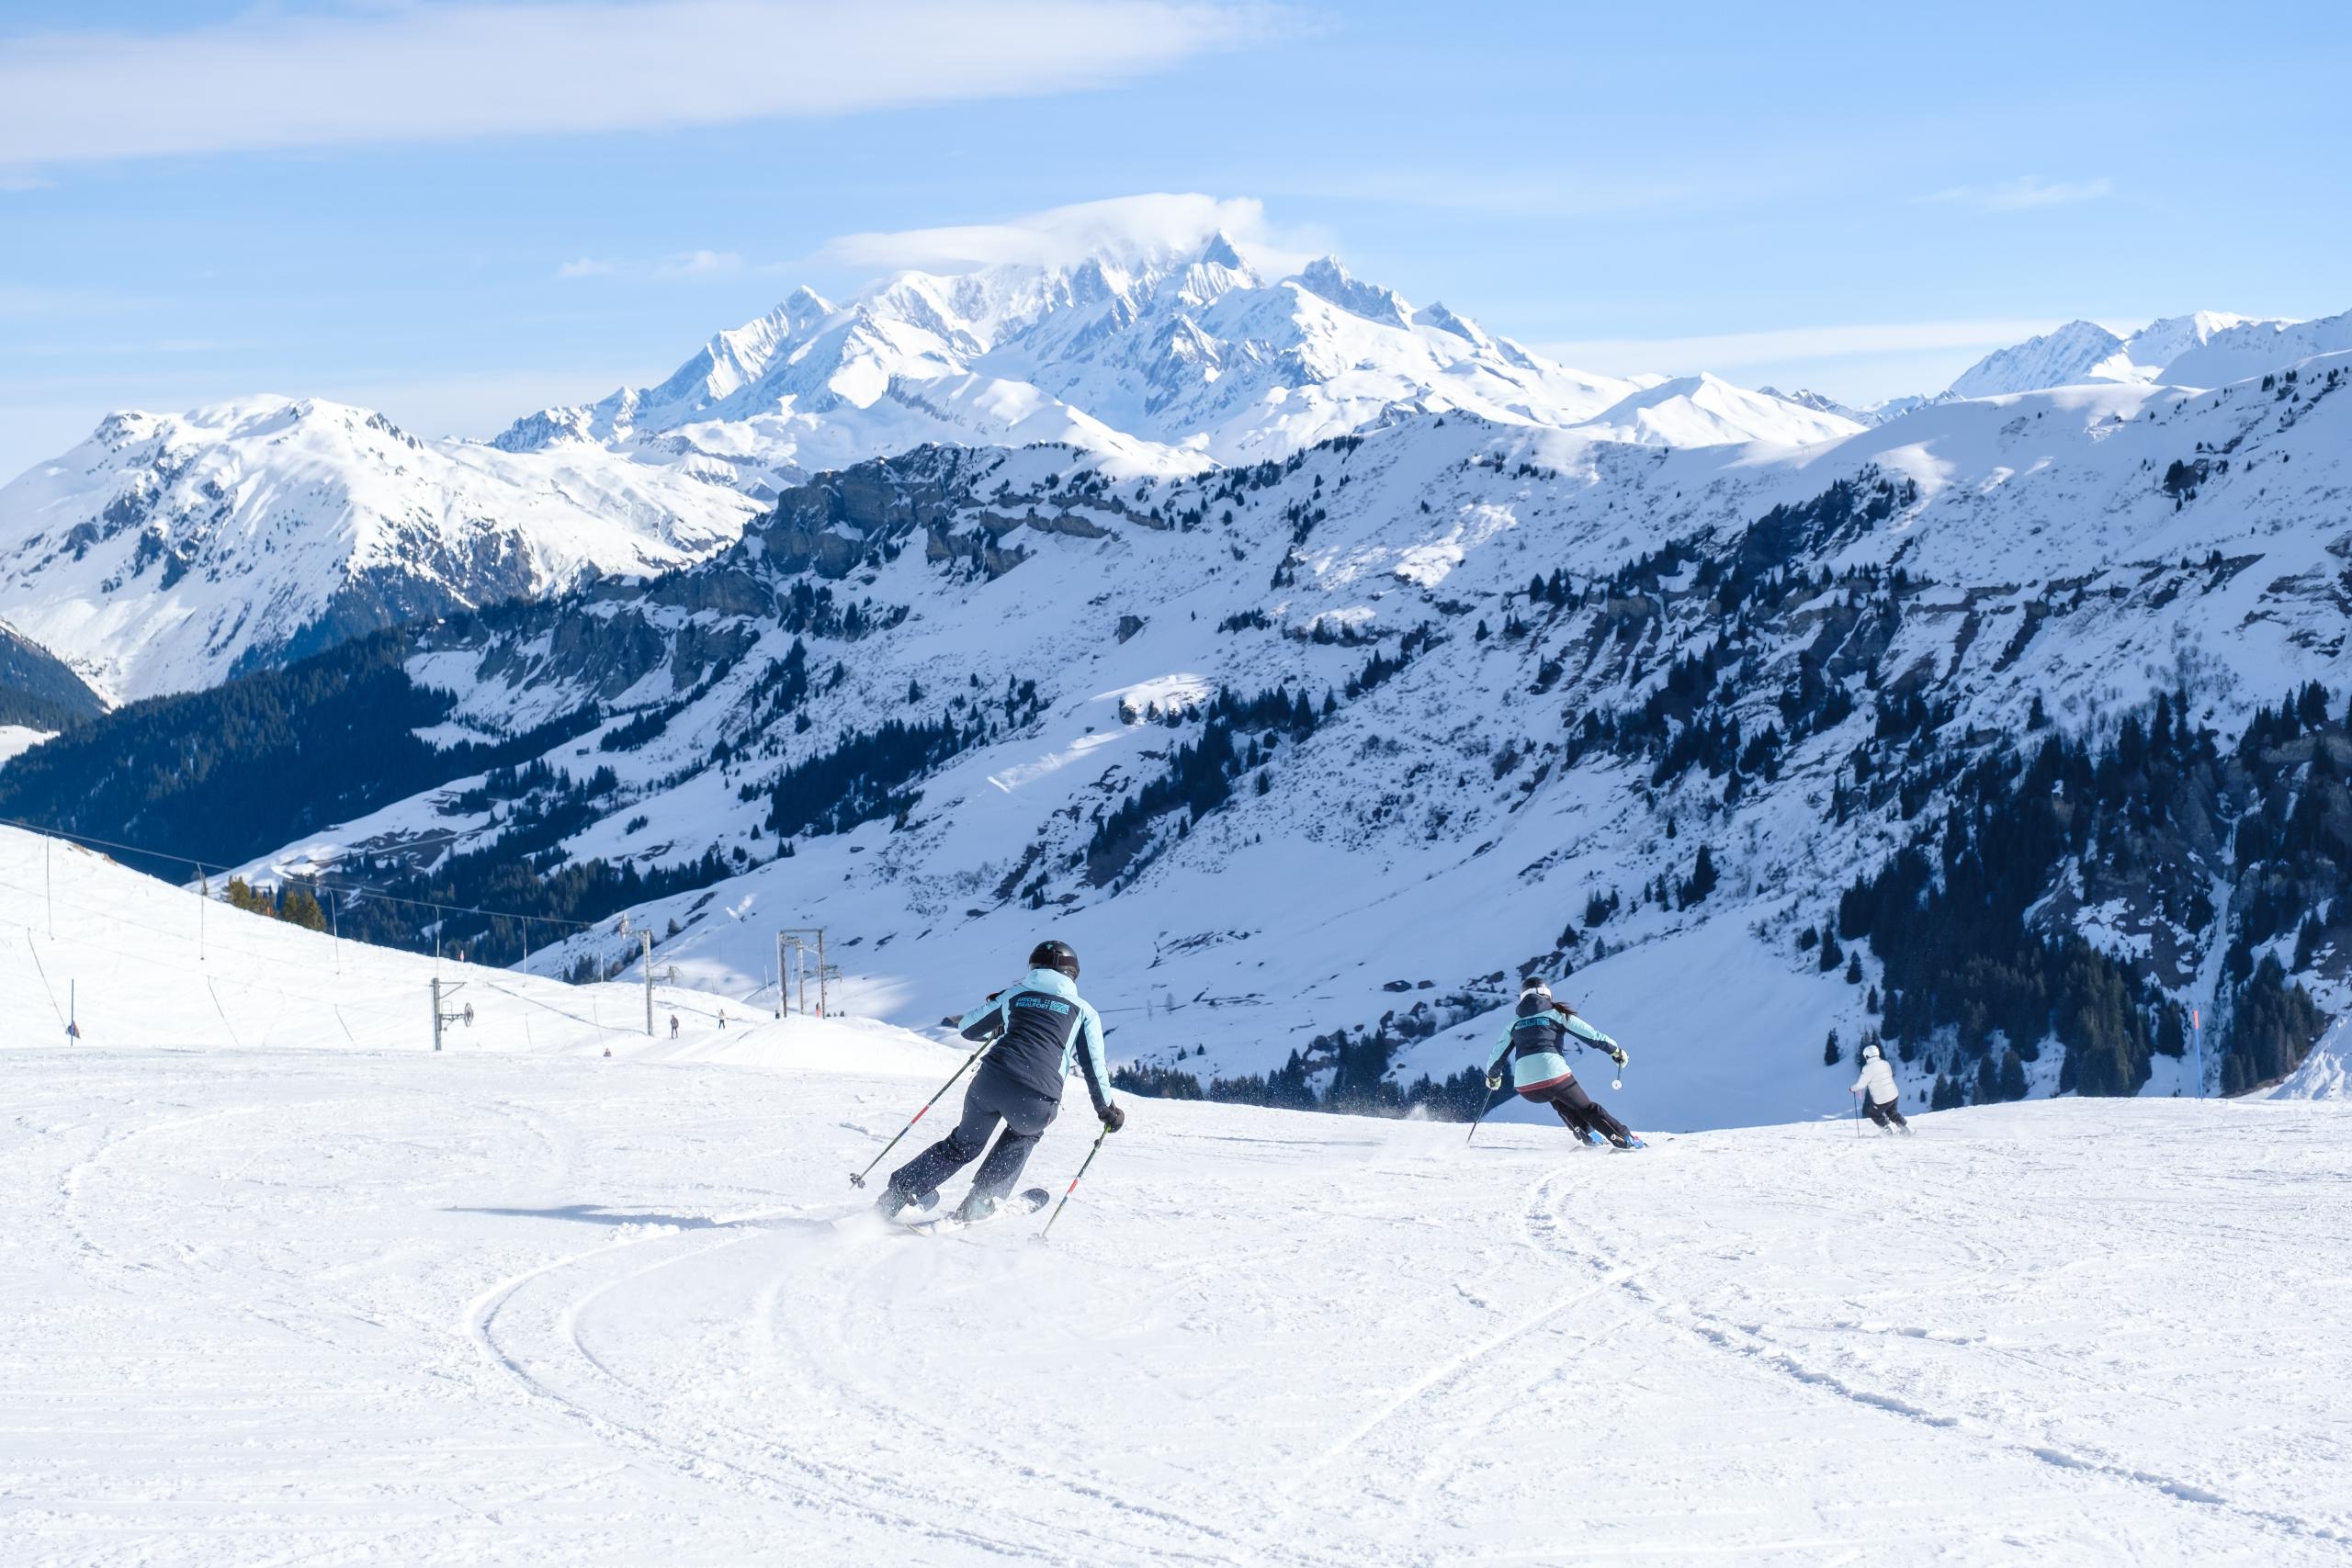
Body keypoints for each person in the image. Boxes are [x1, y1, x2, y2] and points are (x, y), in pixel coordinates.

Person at [878, 939, 1123, 1223]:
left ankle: (896, 1196)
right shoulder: (1083, 1010)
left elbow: (968, 1029)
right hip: (1036, 1100)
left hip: (989, 1085)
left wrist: (1001, 1009)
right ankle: (979, 1204)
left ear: (1033, 967)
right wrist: (1107, 1110)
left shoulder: (1014, 996)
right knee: (1023, 1135)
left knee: (962, 1145)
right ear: (1073, 974)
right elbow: (1094, 1067)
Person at [1484, 976, 1641, 1148]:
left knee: (1558, 1099)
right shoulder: (1557, 1015)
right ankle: (1625, 1139)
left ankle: (1588, 1136)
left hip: (1526, 1087)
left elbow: (1496, 1056)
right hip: (1554, 1075)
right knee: (1587, 1108)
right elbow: (1592, 1036)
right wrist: (1616, 1051)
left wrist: (1493, 1078)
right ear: (1547, 995)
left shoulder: (1513, 1024)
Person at [1850, 1042, 1910, 1134]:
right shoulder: (1885, 1063)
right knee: (1892, 1113)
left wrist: (1852, 1088)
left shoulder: (1867, 1068)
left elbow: (1861, 1085)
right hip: (1894, 1095)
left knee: (1873, 1113)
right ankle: (1907, 1128)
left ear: (1866, 1056)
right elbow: (1890, 1075)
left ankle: (1888, 1130)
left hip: (1882, 1099)